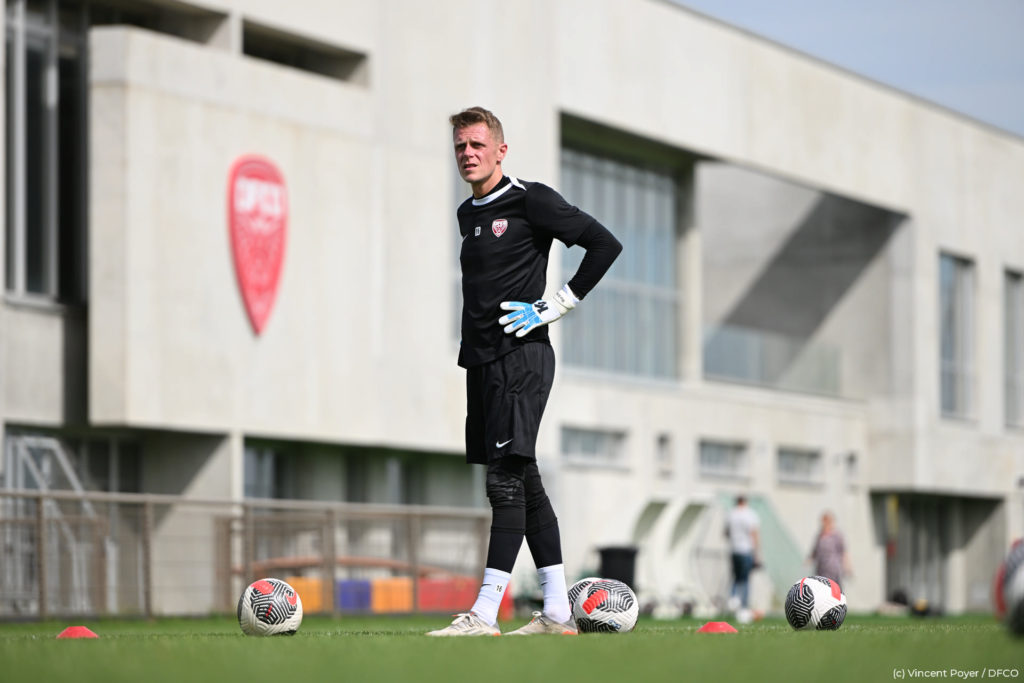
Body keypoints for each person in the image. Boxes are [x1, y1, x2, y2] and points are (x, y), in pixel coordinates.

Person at [427, 107, 622, 636]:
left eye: (477, 144)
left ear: (500, 150)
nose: (468, 154)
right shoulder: (467, 213)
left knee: (504, 482)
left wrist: (558, 303)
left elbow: (605, 244)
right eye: (460, 146)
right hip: (482, 362)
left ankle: (484, 612)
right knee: (524, 481)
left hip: (523, 358)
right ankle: (557, 611)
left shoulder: (531, 199)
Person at [724, 495, 760, 611]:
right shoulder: (750, 514)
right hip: (746, 550)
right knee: (745, 579)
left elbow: (726, 533)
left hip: (734, 550)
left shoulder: (731, 513)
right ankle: (743, 607)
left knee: (736, 577)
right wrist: (757, 554)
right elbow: (754, 534)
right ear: (745, 502)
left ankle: (733, 601)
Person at [809, 511, 850, 586]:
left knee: (833, 588)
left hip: (833, 570)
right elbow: (815, 550)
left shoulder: (837, 535)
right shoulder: (820, 535)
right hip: (821, 569)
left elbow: (843, 552)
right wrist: (810, 559)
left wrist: (846, 567)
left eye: (826, 521)